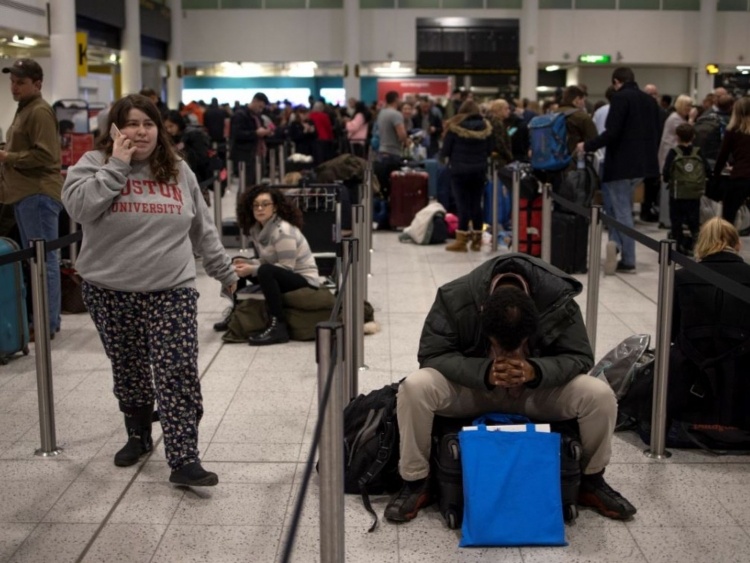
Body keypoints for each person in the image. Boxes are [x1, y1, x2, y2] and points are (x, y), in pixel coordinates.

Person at [62, 94, 237, 486]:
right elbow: (79, 210)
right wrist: (117, 166)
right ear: (115, 129)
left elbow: (202, 227)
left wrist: (224, 272)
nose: (141, 132)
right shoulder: (92, 165)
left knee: (177, 371)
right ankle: (138, 435)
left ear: (160, 129)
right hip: (109, 289)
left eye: (149, 124)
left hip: (170, 287)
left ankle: (184, 458)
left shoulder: (177, 170)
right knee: (130, 371)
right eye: (132, 124)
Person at [384, 254, 637, 524]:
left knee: (599, 395)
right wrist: (483, 371)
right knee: (415, 387)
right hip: (476, 389)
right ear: (482, 318)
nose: (509, 355)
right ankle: (416, 481)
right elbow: (432, 355)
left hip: (535, 391)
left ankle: (591, 480)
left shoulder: (558, 300)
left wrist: (535, 370)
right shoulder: (455, 297)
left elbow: (580, 357)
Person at [0, 58, 63, 340]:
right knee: (37, 260)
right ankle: (44, 319)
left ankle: (46, 323)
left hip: (37, 194)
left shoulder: (38, 111)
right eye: (12, 81)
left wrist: (7, 156)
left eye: (20, 82)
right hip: (25, 194)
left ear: (37, 84)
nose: (14, 87)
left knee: (44, 259)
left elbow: (46, 155)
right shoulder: (24, 110)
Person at [579, 67, 661, 275]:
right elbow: (655, 132)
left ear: (616, 82)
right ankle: (615, 245)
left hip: (621, 165)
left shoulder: (620, 98)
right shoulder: (649, 101)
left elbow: (612, 132)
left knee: (622, 211)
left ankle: (629, 259)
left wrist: (587, 146)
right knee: (616, 209)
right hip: (643, 165)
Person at [669, 217, 750, 430]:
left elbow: (670, 332)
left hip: (692, 374)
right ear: (737, 244)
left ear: (701, 244)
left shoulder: (681, 277)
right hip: (742, 379)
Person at [235, 186, 320, 345]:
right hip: (279, 273)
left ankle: (278, 327)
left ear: (274, 207)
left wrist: (253, 268)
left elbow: (286, 268)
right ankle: (237, 316)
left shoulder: (283, 231)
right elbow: (267, 260)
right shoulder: (257, 229)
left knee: (264, 271)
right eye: (256, 205)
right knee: (238, 264)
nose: (260, 208)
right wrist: (247, 264)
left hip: (304, 280)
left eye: (265, 204)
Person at [440, 100, 493, 252]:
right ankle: (477, 241)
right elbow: (490, 149)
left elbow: (445, 151)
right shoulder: (486, 127)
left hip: (459, 172)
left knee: (462, 205)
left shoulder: (454, 127)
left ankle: (461, 241)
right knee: (476, 205)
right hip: (479, 171)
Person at [662, 123, 710, 255]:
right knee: (694, 222)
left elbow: (666, 173)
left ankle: (678, 246)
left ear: (677, 137)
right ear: (693, 137)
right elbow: (707, 170)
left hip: (677, 194)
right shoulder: (698, 152)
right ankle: (696, 246)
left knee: (676, 221)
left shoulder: (673, 152)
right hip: (694, 194)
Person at [657, 95, 694, 229]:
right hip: (670, 158)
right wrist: (692, 120)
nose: (689, 109)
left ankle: (667, 219)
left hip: (671, 157)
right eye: (688, 106)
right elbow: (687, 134)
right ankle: (667, 220)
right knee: (668, 190)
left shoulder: (676, 118)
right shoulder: (675, 120)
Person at [713, 96, 750, 226]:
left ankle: (727, 241)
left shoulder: (733, 131)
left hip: (741, 176)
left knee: (728, 213)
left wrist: (715, 175)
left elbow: (722, 155)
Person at [230, 92, 271, 187]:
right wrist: (256, 133)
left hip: (257, 154)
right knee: (245, 184)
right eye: (260, 107)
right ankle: (242, 202)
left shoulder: (257, 116)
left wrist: (266, 132)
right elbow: (237, 134)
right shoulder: (240, 115)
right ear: (255, 101)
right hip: (245, 155)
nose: (261, 109)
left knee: (255, 184)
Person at [486, 99, 514, 168]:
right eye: (506, 109)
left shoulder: (493, 121)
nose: (509, 111)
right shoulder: (497, 123)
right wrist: (509, 156)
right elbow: (499, 143)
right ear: (499, 110)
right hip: (498, 159)